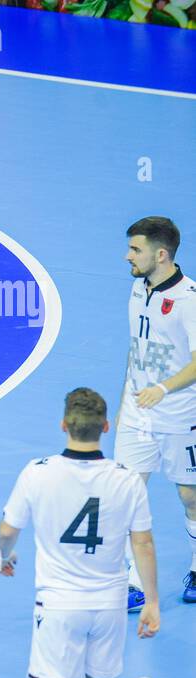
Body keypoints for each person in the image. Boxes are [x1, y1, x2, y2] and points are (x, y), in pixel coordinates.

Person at [0, 388, 161, 678]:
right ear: (106, 427)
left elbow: (8, 529)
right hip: (108, 605)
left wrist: (4, 556)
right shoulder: (127, 479)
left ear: (63, 425)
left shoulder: (38, 473)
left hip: (58, 605)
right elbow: (142, 543)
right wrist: (150, 601)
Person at [115, 216, 196, 608]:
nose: (127, 256)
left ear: (161, 255)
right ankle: (131, 582)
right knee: (126, 494)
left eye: (135, 250)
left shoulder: (190, 301)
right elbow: (137, 351)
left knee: (190, 496)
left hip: (181, 415)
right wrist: (123, 403)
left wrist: (162, 389)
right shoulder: (136, 289)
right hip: (137, 414)